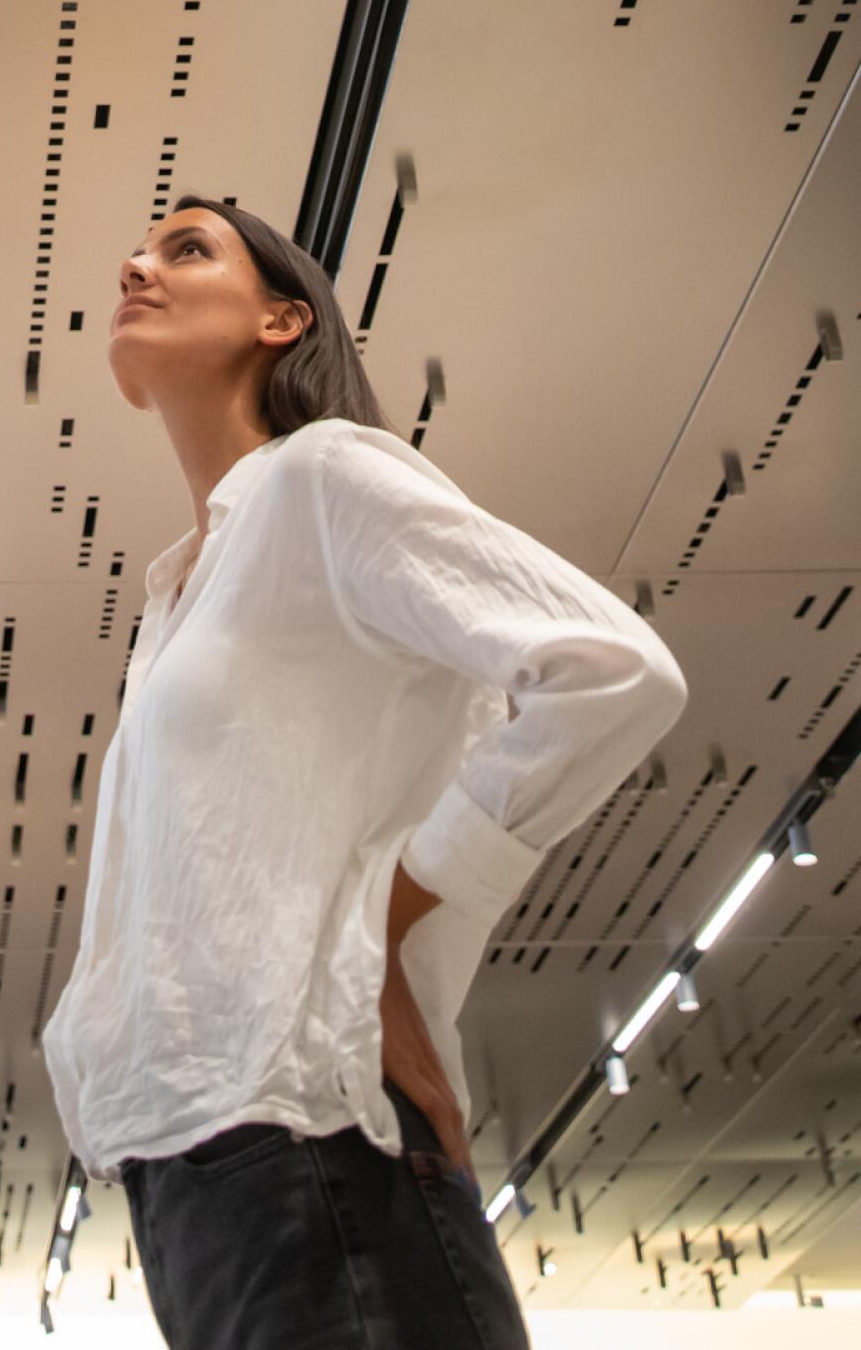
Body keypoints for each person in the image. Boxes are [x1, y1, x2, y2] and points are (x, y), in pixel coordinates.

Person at [40, 192, 689, 1348]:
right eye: (137, 249)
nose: (136, 265)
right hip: (188, 1172)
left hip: (315, 1140)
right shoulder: (179, 593)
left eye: (185, 249)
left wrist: (378, 929)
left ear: (283, 320)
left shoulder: (320, 478)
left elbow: (610, 672)